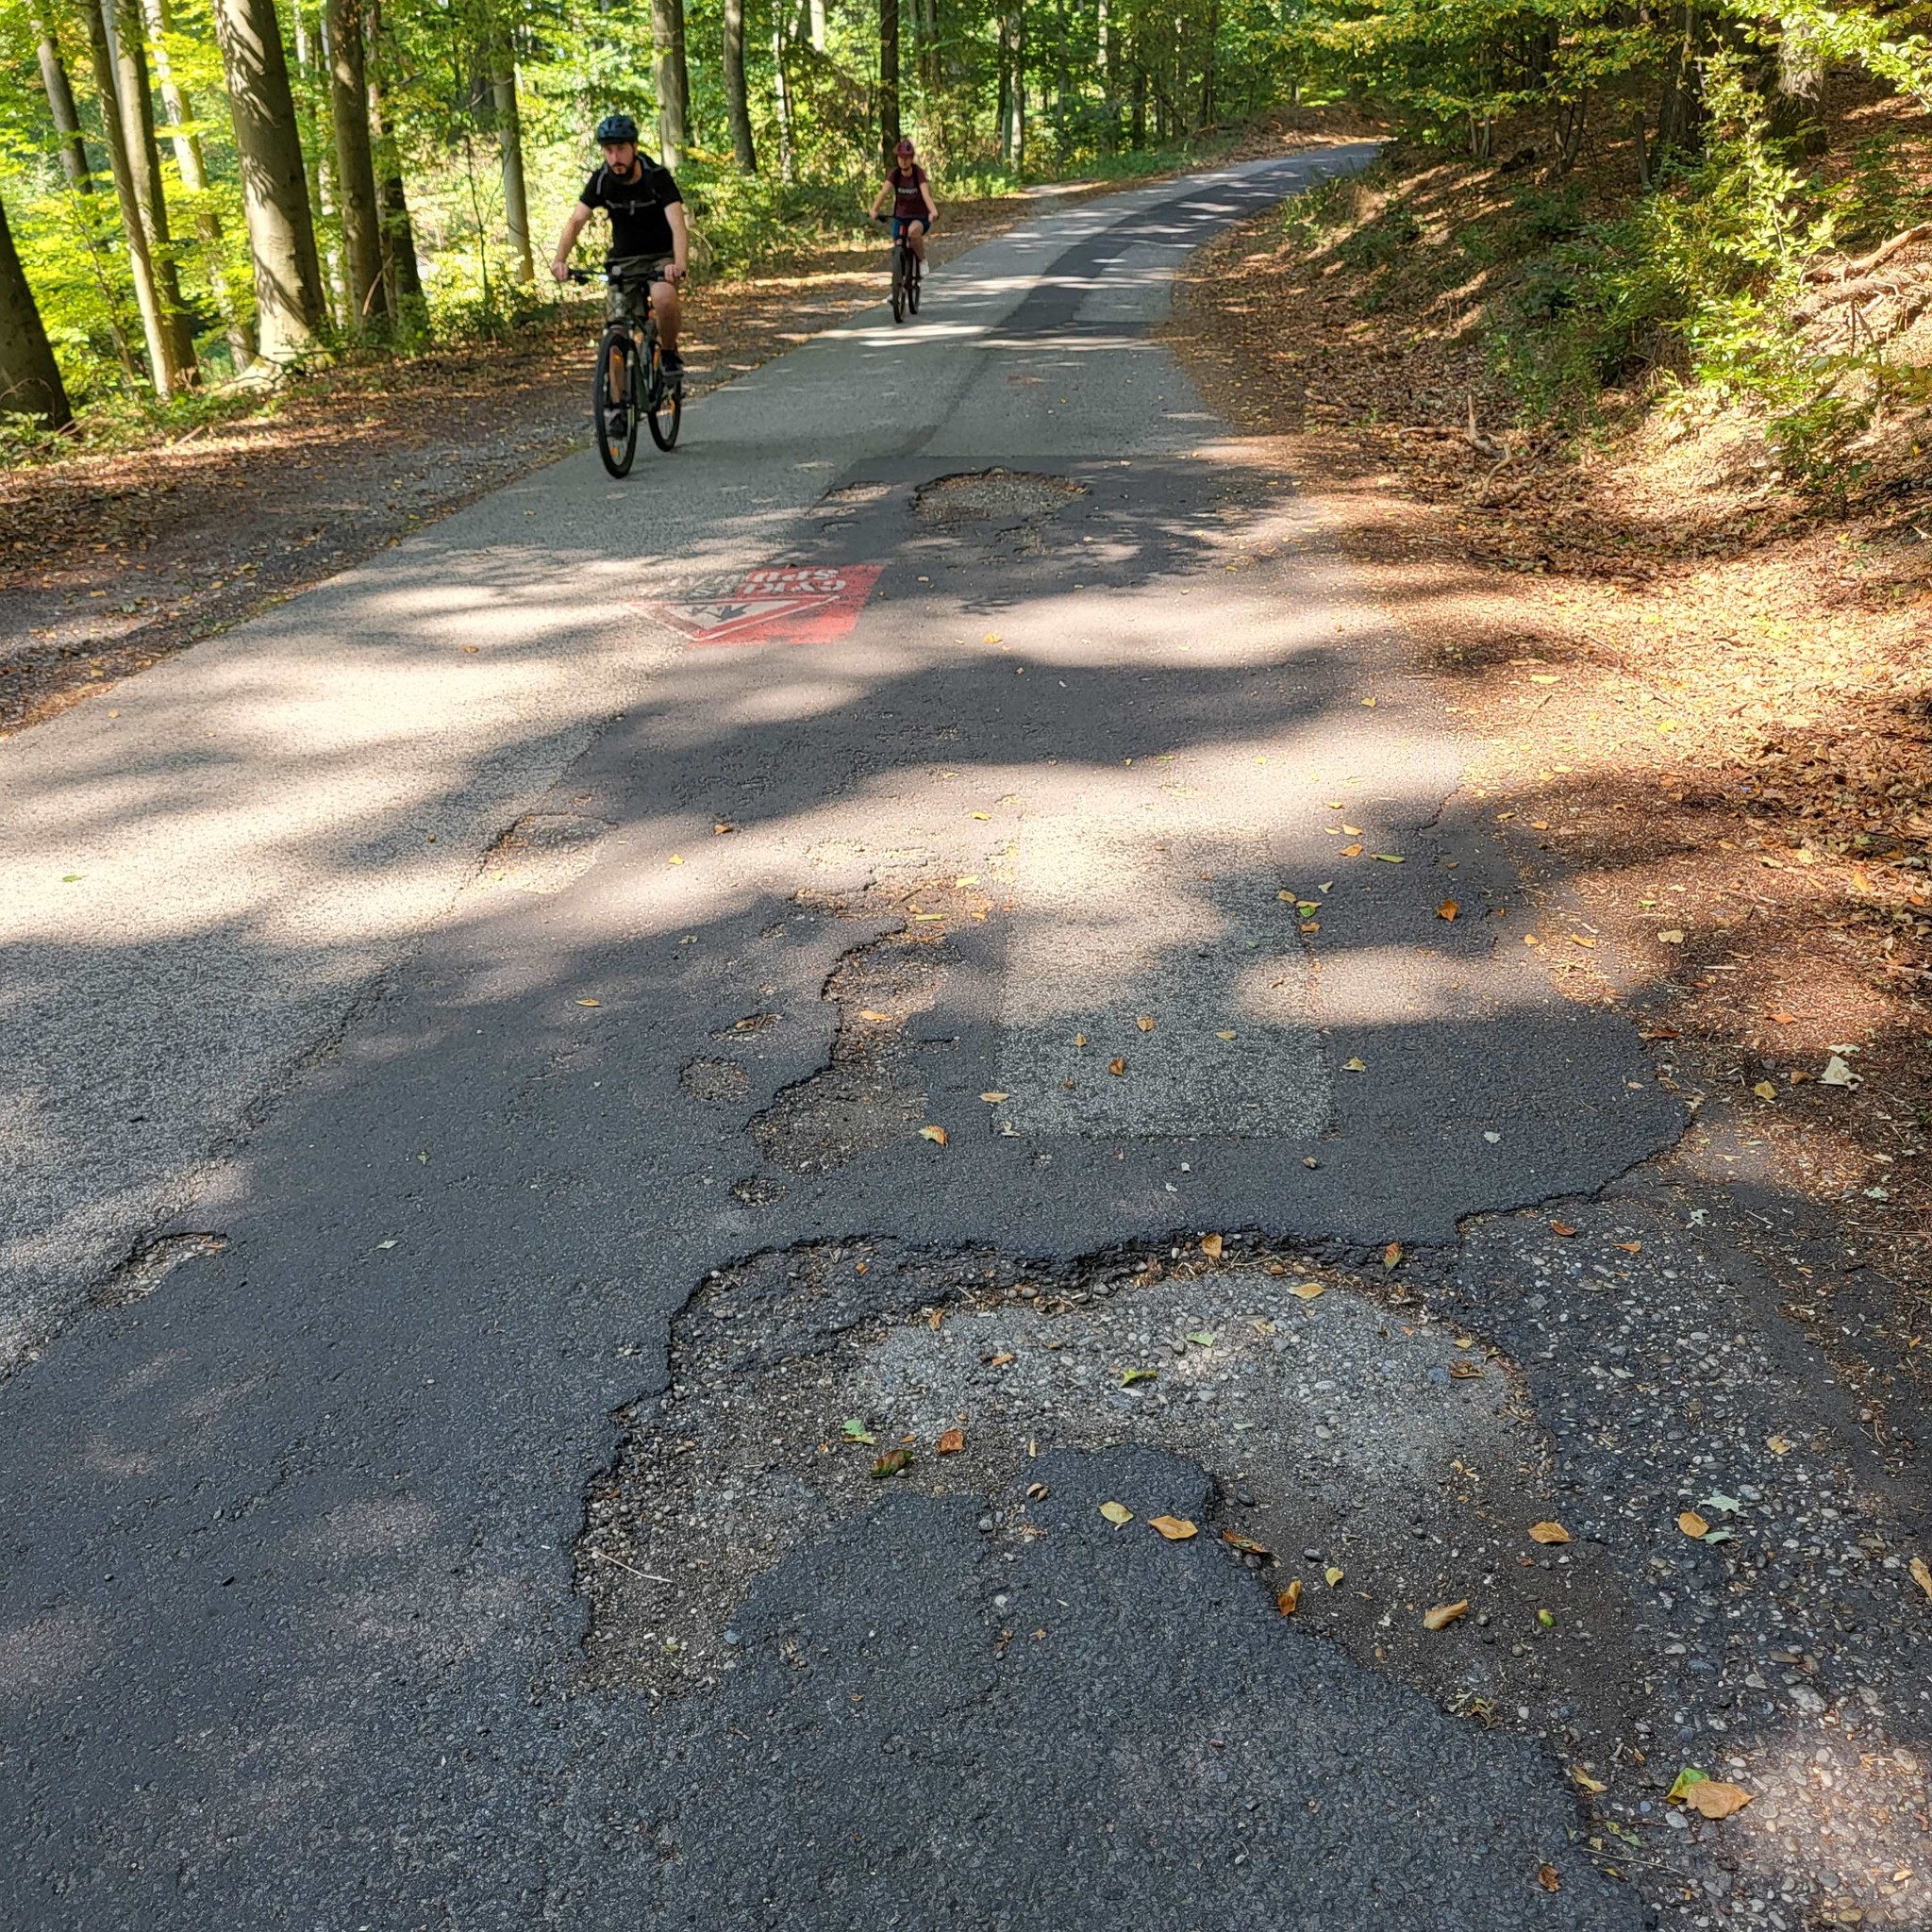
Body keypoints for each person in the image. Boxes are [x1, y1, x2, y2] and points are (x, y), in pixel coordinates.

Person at [551, 113, 690, 426]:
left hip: (660, 257)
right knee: (615, 331)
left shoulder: (657, 177)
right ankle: (615, 407)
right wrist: (560, 260)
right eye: (609, 150)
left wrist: (679, 264)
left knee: (665, 298)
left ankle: (668, 354)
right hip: (622, 262)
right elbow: (575, 221)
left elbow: (678, 224)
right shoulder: (601, 180)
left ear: (634, 148)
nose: (615, 158)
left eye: (621, 149)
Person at [870, 137, 937, 275]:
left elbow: (926, 195)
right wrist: (874, 209)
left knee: (913, 233)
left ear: (911, 159)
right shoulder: (895, 174)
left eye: (906, 158)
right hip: (901, 217)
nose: (903, 161)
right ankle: (899, 275)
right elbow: (884, 192)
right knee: (897, 239)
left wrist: (933, 211)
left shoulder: (918, 174)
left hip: (919, 217)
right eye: (900, 157)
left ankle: (922, 260)